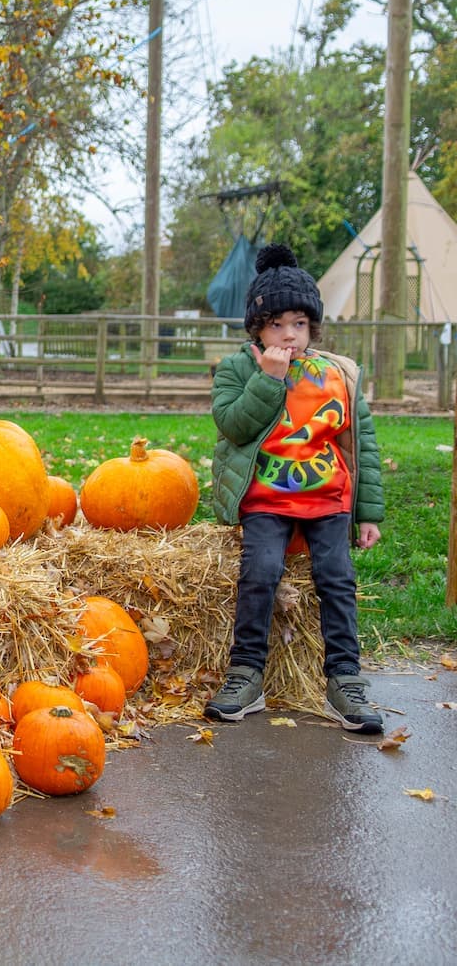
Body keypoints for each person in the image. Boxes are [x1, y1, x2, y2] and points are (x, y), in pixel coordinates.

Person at [205, 243, 385, 733]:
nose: (289, 334)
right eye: (277, 324)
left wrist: (368, 513)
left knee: (337, 577)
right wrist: (270, 379)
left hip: (327, 500)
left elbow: (361, 442)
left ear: (313, 328)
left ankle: (344, 679)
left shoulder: (338, 374)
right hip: (267, 500)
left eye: (300, 324)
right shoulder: (238, 369)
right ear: (258, 329)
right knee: (260, 572)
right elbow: (234, 426)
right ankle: (246, 674)